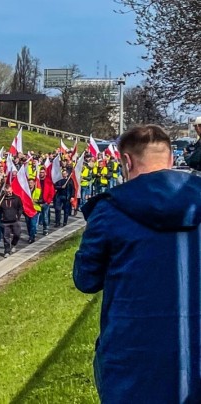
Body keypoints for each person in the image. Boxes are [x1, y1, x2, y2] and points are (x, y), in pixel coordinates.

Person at [74, 125, 201, 402]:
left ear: (127, 162)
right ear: (170, 160)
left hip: (131, 353)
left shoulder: (109, 209)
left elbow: (86, 279)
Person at [0, 185, 23, 258]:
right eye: (6, 191)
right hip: (5, 221)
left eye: (9, 191)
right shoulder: (2, 198)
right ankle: (7, 251)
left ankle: (13, 244)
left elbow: (20, 208)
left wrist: (18, 215)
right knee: (6, 237)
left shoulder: (17, 198)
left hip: (15, 220)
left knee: (17, 234)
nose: (8, 193)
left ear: (11, 190)